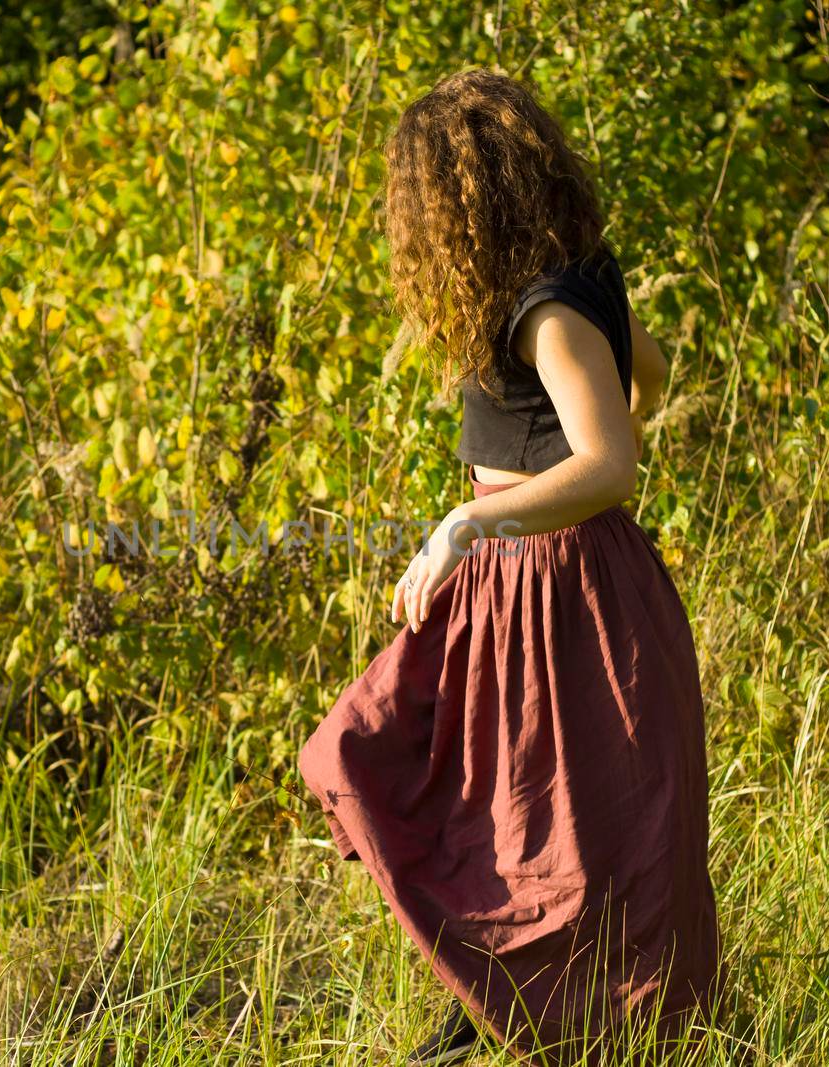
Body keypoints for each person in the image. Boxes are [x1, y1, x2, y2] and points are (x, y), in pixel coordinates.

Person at [298, 68, 721, 1064]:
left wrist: (470, 524)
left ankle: (557, 1029)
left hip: (561, 588)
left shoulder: (546, 307)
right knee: (432, 785)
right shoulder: (556, 286)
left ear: (455, 205)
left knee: (575, 839)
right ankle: (489, 1011)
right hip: (521, 585)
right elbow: (648, 374)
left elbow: (611, 463)